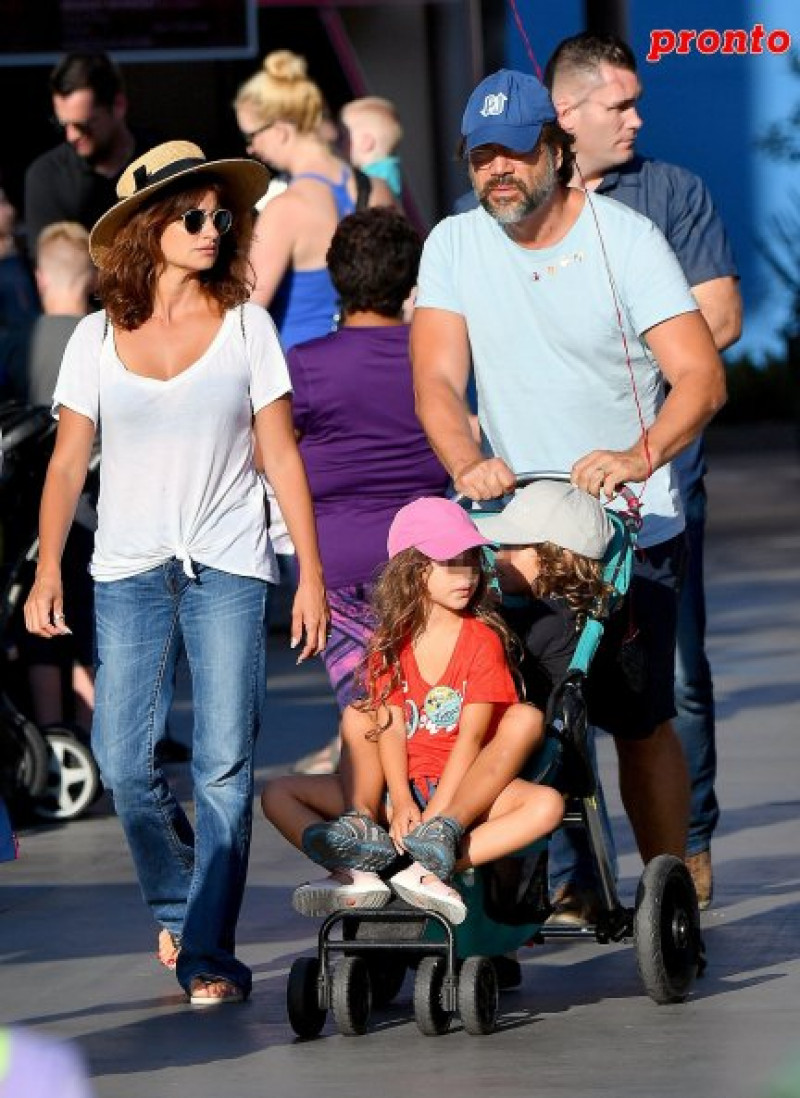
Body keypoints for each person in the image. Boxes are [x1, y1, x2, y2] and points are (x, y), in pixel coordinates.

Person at [23, 141, 329, 1005]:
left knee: (223, 768)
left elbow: (281, 454)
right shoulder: (94, 338)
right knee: (122, 760)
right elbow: (64, 464)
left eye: (219, 216)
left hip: (230, 564)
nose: (210, 228)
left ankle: (208, 955)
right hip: (125, 570)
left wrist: (308, 570)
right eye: (191, 215)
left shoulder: (246, 327)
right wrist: (50, 569)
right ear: (149, 227)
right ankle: (181, 900)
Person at [410, 70, 727, 889]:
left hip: (632, 529)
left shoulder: (626, 240)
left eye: (512, 153)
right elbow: (437, 382)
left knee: (639, 719)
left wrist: (638, 454)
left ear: (555, 150)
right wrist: (463, 460)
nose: (496, 173)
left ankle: (666, 890)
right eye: (480, 158)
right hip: (514, 529)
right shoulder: (453, 243)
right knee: (508, 715)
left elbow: (700, 376)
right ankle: (511, 902)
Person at [544, 32, 742, 912]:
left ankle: (685, 855)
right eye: (619, 103)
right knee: (556, 675)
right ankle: (576, 875)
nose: (637, 117)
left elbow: (720, 320)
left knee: (677, 675)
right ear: (567, 114)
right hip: (549, 483)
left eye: (636, 100)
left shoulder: (673, 193)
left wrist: (630, 366)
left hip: (660, 474)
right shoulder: (524, 204)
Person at [263, 496, 563, 924]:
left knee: (547, 805)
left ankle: (422, 868)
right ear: (412, 570)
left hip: (462, 792)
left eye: (472, 562)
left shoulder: (481, 639)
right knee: (279, 792)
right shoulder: (390, 641)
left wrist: (441, 813)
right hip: (396, 794)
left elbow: (472, 738)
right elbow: (389, 726)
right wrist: (402, 800)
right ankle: (358, 861)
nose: (466, 575)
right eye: (450, 563)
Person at [286, 206, 449, 774]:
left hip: (339, 571)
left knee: (368, 713)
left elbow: (271, 457)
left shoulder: (306, 365)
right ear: (409, 281)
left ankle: (379, 840)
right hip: (428, 566)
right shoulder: (434, 355)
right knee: (428, 714)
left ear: (335, 276)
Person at [233, 49, 394, 352]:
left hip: (303, 382)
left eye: (251, 136)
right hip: (371, 363)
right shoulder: (378, 190)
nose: (251, 149)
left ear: (280, 130)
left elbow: (247, 315)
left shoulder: (285, 209)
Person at [24, 52, 148, 247]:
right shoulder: (47, 176)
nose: (71, 136)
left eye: (83, 126)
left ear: (118, 106)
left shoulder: (159, 161)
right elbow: (58, 267)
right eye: (63, 125)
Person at [340, 96, 404, 199]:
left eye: (344, 137)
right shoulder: (387, 170)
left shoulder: (379, 176)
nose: (340, 144)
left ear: (366, 142)